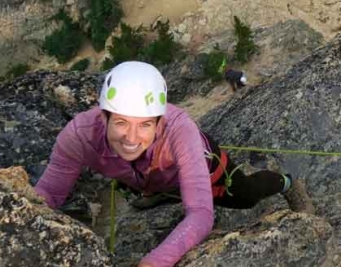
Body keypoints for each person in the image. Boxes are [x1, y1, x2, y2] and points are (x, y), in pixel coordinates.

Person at [34, 61, 314, 267]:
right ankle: (153, 193)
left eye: (145, 125)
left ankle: (288, 183)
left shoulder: (180, 131)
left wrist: (155, 262)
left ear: (159, 121)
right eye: (120, 123)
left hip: (201, 166)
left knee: (246, 194)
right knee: (145, 186)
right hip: (150, 180)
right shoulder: (79, 135)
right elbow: (49, 194)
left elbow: (201, 214)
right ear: (103, 116)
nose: (131, 138)